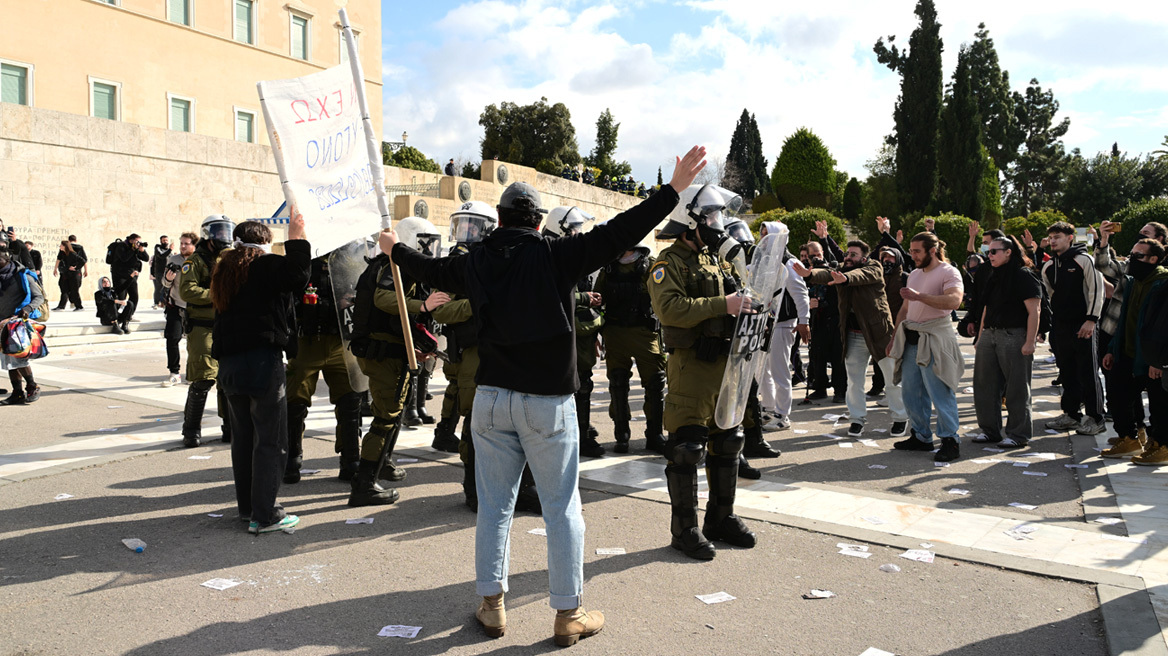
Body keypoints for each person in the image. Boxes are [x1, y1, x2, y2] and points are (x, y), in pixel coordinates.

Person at [383, 146, 707, 645]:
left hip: (491, 398)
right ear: (538, 223)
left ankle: (492, 605)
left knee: (494, 507)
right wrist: (672, 190)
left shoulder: (477, 260)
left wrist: (392, 249)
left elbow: (429, 269)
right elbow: (623, 230)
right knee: (562, 508)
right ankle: (567, 613)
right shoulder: (558, 255)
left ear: (499, 219)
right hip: (546, 402)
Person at [648, 182, 759, 561]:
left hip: (725, 365)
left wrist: (753, 302)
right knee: (687, 448)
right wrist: (724, 305)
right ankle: (685, 529)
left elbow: (743, 294)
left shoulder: (719, 260)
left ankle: (720, 518)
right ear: (690, 219)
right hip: (692, 366)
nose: (717, 223)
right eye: (711, 215)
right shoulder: (668, 264)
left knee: (728, 442)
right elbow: (670, 310)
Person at [430, 201, 541, 512]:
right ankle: (473, 490)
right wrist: (480, 302)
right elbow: (442, 309)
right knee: (477, 420)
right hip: (473, 354)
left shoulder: (496, 258)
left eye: (474, 226)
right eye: (463, 225)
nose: (467, 233)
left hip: (504, 350)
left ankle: (517, 487)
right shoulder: (460, 263)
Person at [211, 216, 308, 534]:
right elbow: (297, 275)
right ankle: (265, 515)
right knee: (270, 440)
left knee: (243, 440)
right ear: (265, 241)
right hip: (261, 361)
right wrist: (297, 238)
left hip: (229, 364)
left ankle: (248, 508)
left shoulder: (224, 268)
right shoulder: (264, 265)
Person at [347, 217, 450, 506]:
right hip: (383, 354)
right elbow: (383, 299)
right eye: (425, 241)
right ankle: (365, 485)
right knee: (385, 417)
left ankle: (383, 463)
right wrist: (424, 305)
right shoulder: (393, 266)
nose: (430, 249)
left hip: (392, 351)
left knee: (393, 411)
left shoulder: (395, 265)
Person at [795, 239, 909, 438]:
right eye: (847, 254)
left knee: (892, 378)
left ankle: (900, 418)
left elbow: (860, 275)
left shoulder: (874, 267)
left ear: (863, 257)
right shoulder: (841, 269)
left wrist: (844, 279)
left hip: (879, 334)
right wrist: (809, 274)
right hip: (853, 335)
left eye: (853, 254)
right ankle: (857, 420)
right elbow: (827, 273)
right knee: (854, 382)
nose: (848, 257)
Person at [283, 253, 364, 484]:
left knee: (350, 400)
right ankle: (292, 458)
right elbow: (290, 300)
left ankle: (350, 458)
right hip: (307, 341)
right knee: (295, 402)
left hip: (339, 342)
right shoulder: (302, 264)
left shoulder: (348, 261)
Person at [888, 232, 965, 462]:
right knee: (911, 392)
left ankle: (950, 440)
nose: (913, 255)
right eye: (911, 251)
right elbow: (905, 308)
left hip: (935, 336)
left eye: (917, 251)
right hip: (912, 336)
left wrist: (920, 296)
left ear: (932, 250)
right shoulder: (913, 275)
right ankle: (921, 436)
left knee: (939, 390)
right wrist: (894, 338)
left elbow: (954, 301)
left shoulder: (949, 272)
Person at [593, 233, 666, 454]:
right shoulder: (608, 269)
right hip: (615, 333)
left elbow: (664, 297)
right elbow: (598, 299)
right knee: (618, 383)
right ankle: (621, 434)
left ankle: (654, 434)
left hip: (645, 334)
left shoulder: (652, 266)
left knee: (654, 383)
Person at [542, 206, 605, 457]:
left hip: (583, 332)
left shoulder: (573, 254)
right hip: (561, 331)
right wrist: (583, 298)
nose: (578, 234)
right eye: (574, 229)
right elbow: (550, 294)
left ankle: (582, 431)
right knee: (562, 386)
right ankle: (567, 434)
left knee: (584, 384)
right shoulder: (547, 255)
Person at [970, 236, 1042, 449]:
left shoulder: (1024, 275)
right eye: (988, 252)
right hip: (989, 334)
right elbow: (986, 307)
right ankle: (989, 430)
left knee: (1017, 388)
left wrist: (1030, 341)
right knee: (984, 385)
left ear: (1008, 252)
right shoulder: (992, 274)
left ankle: (1018, 434)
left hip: (1014, 335)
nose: (989, 256)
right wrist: (981, 335)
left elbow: (1034, 310)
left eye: (994, 252)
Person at [1100, 239, 1168, 462]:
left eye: (1138, 255)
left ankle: (1162, 446)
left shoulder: (1163, 283)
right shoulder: (1131, 281)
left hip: (1153, 358)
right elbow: (1123, 320)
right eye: (1131, 254)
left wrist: (1159, 361)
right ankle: (1129, 439)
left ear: (1153, 259)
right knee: (1118, 395)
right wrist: (1112, 349)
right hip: (1127, 353)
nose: (1132, 259)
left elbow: (1163, 326)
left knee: (1159, 405)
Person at [1041, 222, 1107, 436]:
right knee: (1066, 370)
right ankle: (1071, 414)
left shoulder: (1085, 259)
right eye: (1051, 237)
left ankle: (1096, 418)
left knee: (1088, 371)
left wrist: (1091, 320)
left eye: (1057, 236)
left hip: (1084, 322)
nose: (1053, 240)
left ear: (1070, 237)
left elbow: (1096, 291)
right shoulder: (1048, 266)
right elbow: (1051, 294)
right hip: (1061, 325)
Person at [179, 215, 236, 448]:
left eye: (226, 231)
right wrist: (217, 295)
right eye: (219, 232)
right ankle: (191, 430)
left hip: (227, 325)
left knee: (228, 380)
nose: (223, 236)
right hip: (202, 327)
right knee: (204, 379)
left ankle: (230, 427)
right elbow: (187, 291)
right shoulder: (194, 261)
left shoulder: (229, 259)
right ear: (208, 234)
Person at [0, 243, 46, 405]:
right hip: (2, 324)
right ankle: (17, 392)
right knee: (8, 360)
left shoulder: (22, 275)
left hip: (17, 323)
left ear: (6, 258)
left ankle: (33, 386)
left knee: (19, 359)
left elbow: (38, 297)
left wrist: (27, 309)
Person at [160, 233, 195, 386]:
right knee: (172, 338)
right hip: (175, 305)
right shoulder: (173, 259)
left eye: (186, 243)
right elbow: (165, 283)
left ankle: (193, 373)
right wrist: (168, 279)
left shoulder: (199, 260)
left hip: (195, 307)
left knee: (194, 342)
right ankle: (174, 372)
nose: (182, 246)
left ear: (194, 245)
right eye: (181, 243)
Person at [106, 233, 149, 323]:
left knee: (134, 296)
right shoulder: (121, 246)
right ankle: (115, 316)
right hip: (120, 275)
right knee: (121, 297)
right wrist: (133, 249)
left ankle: (129, 315)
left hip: (132, 276)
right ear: (131, 240)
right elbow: (124, 258)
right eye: (137, 241)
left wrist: (142, 250)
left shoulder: (136, 248)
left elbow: (146, 258)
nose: (139, 243)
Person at [53, 241, 85, 311]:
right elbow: (59, 260)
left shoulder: (72, 254)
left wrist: (75, 268)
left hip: (74, 274)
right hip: (66, 274)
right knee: (64, 290)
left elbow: (82, 261)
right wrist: (56, 269)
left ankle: (79, 306)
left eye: (61, 245)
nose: (60, 246)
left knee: (74, 291)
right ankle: (61, 306)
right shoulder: (63, 253)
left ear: (65, 246)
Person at [149, 236, 172, 309]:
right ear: (161, 241)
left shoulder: (169, 251)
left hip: (167, 273)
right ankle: (156, 303)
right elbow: (162, 256)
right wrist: (170, 250)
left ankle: (165, 303)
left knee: (167, 288)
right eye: (164, 240)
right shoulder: (158, 248)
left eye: (166, 240)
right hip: (159, 272)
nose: (165, 242)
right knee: (159, 288)